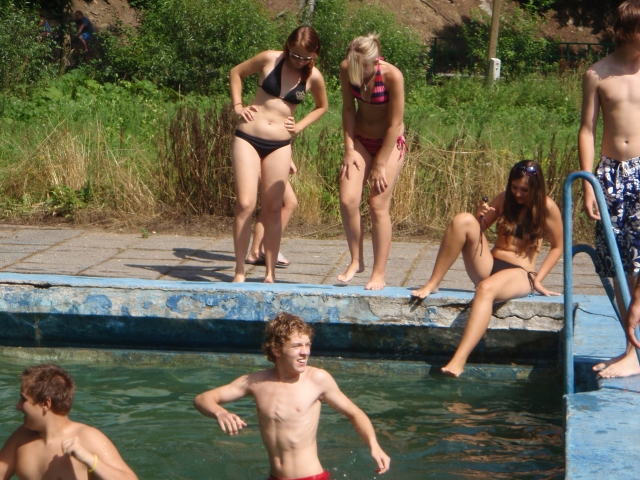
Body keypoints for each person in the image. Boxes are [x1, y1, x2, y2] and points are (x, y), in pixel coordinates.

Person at [411, 161, 563, 377]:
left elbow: (558, 246)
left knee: (485, 289)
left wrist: (538, 279)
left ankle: (459, 360)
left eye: (524, 190)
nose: (518, 194)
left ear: (536, 188)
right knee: (463, 220)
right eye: (514, 187)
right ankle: (433, 282)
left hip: (520, 273)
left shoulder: (548, 207)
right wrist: (479, 215)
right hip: (490, 264)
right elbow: (477, 229)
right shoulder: (504, 199)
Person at [194, 312, 391, 479]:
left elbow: (355, 413)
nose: (305, 352)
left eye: (307, 344)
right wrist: (220, 413)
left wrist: (374, 446)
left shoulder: (317, 379)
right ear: (276, 349)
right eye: (297, 346)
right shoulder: (256, 382)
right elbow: (202, 399)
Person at [230, 26, 328, 283]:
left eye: (305, 57)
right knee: (245, 204)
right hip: (248, 138)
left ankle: (270, 274)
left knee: (274, 208)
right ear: (287, 47)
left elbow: (322, 107)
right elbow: (236, 72)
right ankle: (239, 271)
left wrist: (299, 126)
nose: (299, 61)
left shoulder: (314, 76)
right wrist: (238, 105)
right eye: (294, 55)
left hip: (280, 145)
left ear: (315, 54)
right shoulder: (269, 59)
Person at [580, 0, 640, 379]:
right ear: (624, 31)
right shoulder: (597, 74)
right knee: (619, 265)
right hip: (610, 175)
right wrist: (588, 181)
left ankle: (634, 350)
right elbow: (587, 129)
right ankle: (629, 349)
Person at [338, 33, 406, 290]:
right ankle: (357, 260)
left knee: (377, 204)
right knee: (348, 199)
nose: (356, 72)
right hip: (361, 140)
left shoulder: (392, 76)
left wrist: (380, 164)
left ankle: (379, 273)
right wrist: (349, 148)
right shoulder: (347, 68)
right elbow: (348, 108)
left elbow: (394, 124)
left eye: (362, 68)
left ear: (375, 61)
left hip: (389, 144)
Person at [0, 363, 137, 480]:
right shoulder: (21, 437)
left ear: (46, 404)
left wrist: (90, 460)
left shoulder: (88, 438)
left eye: (24, 400)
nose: (18, 406)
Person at [245, 166, 297, 268]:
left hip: (271, 161)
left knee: (273, 205)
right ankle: (269, 247)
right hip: (267, 162)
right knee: (288, 203)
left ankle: (256, 251)